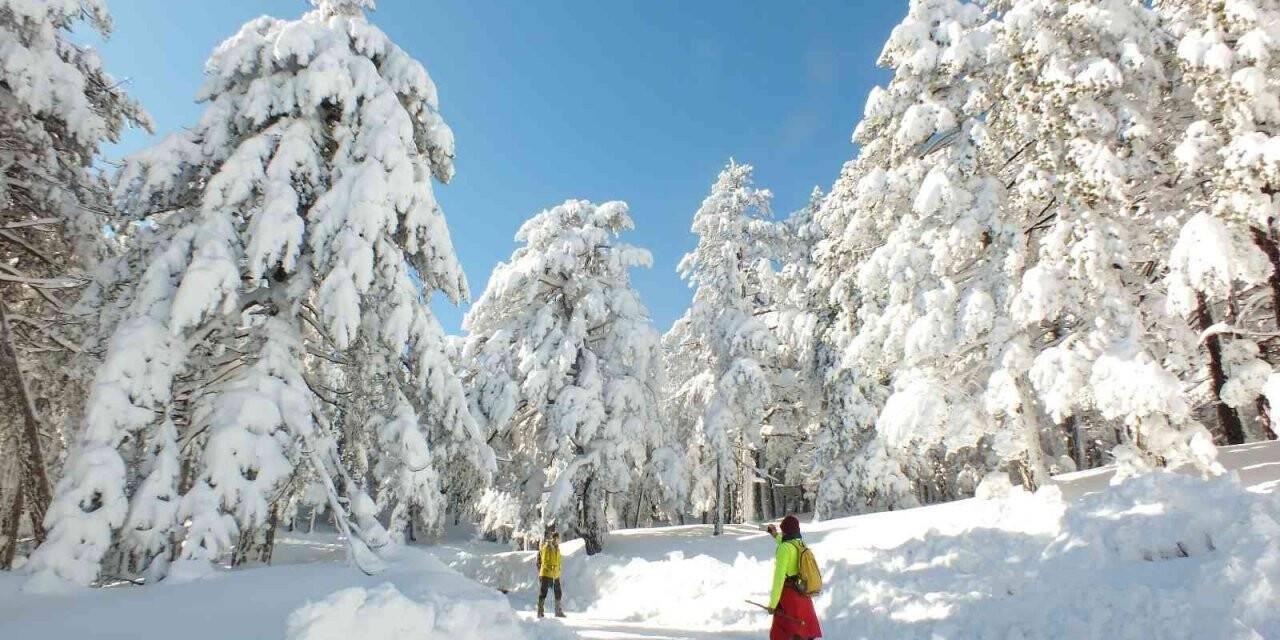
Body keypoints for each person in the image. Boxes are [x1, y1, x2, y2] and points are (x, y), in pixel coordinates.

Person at [765, 515, 822, 640]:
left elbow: (778, 578)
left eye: (782, 530)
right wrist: (775, 536)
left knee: (785, 630)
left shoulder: (784, 549)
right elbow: (788, 544)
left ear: (785, 530)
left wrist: (773, 604)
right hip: (802, 592)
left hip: (789, 596)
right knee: (805, 629)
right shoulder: (800, 543)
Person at [535, 524, 564, 619]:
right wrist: (548, 568)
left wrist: (558, 569)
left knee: (558, 592)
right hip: (546, 573)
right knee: (544, 591)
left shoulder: (557, 548)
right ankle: (540, 611)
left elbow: (558, 560)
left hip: (555, 573)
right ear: (553, 539)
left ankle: (558, 611)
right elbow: (545, 559)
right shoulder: (547, 547)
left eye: (558, 539)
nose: (558, 541)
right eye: (557, 539)